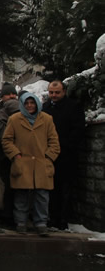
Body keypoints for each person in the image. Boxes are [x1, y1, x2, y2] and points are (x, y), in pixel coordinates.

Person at [2, 92, 60, 236]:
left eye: (32, 103)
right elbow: (6, 140)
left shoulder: (47, 119)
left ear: (37, 103)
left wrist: (48, 157)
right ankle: (20, 222)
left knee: (42, 195)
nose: (29, 106)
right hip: (22, 162)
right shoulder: (14, 119)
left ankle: (41, 223)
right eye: (26, 103)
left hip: (42, 163)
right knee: (21, 195)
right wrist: (16, 155)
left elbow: (54, 141)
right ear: (22, 104)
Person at [43, 80, 85, 230]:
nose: (53, 95)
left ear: (64, 92)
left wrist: (64, 145)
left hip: (67, 155)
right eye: (51, 92)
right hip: (48, 156)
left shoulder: (74, 107)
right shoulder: (45, 108)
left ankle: (63, 219)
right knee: (51, 188)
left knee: (65, 189)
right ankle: (52, 217)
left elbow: (78, 130)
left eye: (57, 92)